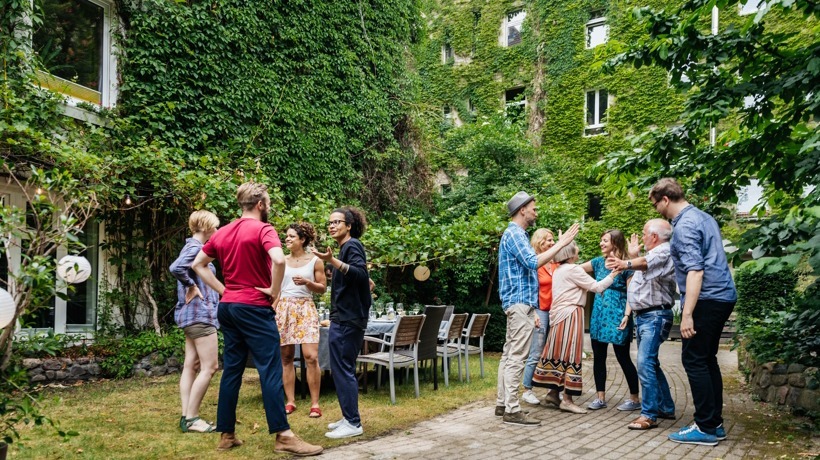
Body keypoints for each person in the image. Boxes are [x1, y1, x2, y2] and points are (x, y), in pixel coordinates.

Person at [191, 182, 322, 456]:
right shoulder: (264, 229)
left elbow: (197, 265)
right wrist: (274, 291)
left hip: (228, 308)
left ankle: (226, 434)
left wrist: (223, 290)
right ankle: (284, 436)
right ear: (261, 204)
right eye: (269, 202)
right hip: (253, 307)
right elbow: (278, 260)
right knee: (270, 369)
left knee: (233, 370)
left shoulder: (224, 231)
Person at [649, 178, 736, 446]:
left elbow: (696, 271)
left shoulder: (684, 225)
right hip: (722, 296)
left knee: (694, 360)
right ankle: (714, 423)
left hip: (706, 298)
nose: (656, 210)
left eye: (656, 204)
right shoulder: (703, 216)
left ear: (665, 199)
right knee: (707, 359)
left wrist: (687, 314)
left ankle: (706, 427)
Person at [495, 191, 579, 426]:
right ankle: (512, 409)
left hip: (520, 303)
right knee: (517, 357)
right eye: (534, 208)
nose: (536, 212)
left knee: (508, 355)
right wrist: (561, 244)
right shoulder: (515, 234)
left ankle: (503, 404)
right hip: (519, 303)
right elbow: (533, 262)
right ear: (522, 209)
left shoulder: (517, 234)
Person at [532, 241, 622, 414]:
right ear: (570, 254)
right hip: (571, 314)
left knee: (560, 352)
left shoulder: (559, 270)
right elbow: (597, 287)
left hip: (558, 314)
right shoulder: (573, 270)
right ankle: (567, 399)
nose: (578, 251)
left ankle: (552, 393)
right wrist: (614, 274)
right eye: (575, 249)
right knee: (571, 353)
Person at [606, 219, 677, 430]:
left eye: (645, 233)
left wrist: (625, 263)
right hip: (646, 316)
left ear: (654, 236)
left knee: (645, 363)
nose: (643, 236)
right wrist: (634, 257)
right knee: (651, 363)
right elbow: (646, 269)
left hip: (654, 316)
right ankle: (665, 406)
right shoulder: (652, 255)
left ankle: (649, 414)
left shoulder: (664, 250)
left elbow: (646, 263)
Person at [313, 206, 371, 439]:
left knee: (343, 369)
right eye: (330, 222)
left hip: (348, 319)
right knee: (339, 369)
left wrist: (332, 261)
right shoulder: (345, 249)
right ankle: (348, 417)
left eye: (337, 222)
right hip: (342, 318)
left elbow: (359, 273)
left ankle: (354, 423)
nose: (332, 225)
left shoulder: (352, 245)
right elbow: (361, 279)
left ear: (349, 226)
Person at [169, 210, 221, 433]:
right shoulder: (195, 248)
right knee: (210, 366)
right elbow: (176, 268)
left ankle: (186, 416)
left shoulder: (190, 247)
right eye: (215, 227)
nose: (217, 231)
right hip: (200, 315)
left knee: (191, 365)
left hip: (191, 316)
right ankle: (192, 418)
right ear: (208, 227)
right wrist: (191, 284)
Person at [580, 229, 639, 411]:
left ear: (616, 243)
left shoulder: (626, 266)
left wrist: (627, 315)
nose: (601, 243)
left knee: (623, 357)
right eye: (601, 240)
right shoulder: (598, 263)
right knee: (599, 357)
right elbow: (573, 270)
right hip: (598, 315)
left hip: (618, 315)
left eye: (605, 240)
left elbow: (632, 293)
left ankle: (635, 399)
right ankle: (600, 398)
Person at [278, 222, 326, 418]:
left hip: (306, 307)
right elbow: (275, 288)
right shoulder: (280, 260)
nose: (287, 239)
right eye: (286, 236)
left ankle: (315, 403)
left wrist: (308, 283)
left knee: (311, 357)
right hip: (284, 308)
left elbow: (322, 288)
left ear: (302, 239)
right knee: (286, 357)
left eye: (291, 236)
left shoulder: (315, 260)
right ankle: (290, 401)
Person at [520, 228, 559, 406]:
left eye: (553, 240)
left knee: (553, 352)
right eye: (549, 240)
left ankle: (552, 391)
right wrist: (533, 311)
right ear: (539, 242)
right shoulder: (534, 263)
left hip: (556, 312)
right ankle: (527, 389)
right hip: (541, 311)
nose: (552, 243)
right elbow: (530, 289)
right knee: (536, 350)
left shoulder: (556, 263)